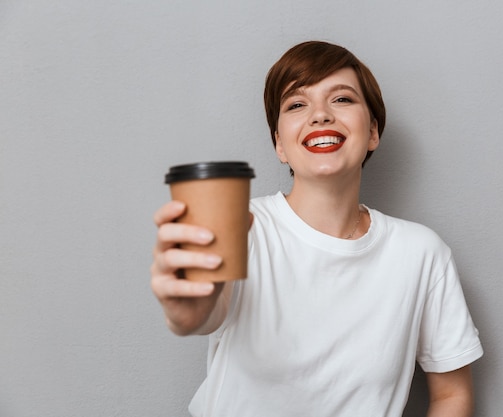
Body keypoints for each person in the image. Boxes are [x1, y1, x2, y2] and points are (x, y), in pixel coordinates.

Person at [151, 40, 483, 417]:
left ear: (373, 132)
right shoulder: (243, 227)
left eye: (341, 99)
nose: (320, 115)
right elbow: (200, 314)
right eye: (296, 104)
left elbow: (452, 395)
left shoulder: (421, 253)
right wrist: (186, 308)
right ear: (280, 144)